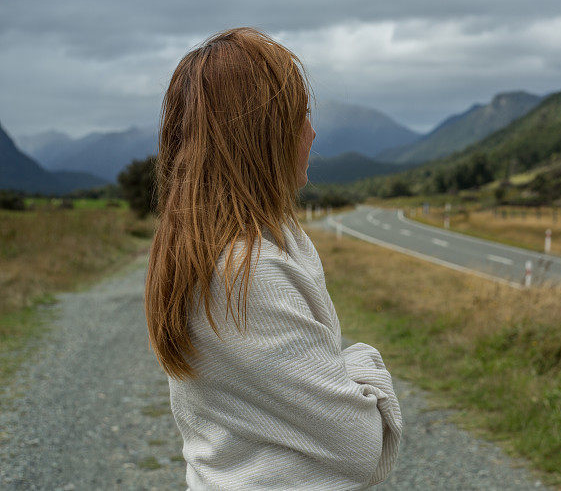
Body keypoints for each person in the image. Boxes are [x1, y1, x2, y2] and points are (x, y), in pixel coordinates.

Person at [143, 27, 403, 490]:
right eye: (300, 116)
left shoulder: (205, 249)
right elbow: (363, 446)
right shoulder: (247, 273)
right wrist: (362, 361)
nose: (312, 132)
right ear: (264, 136)